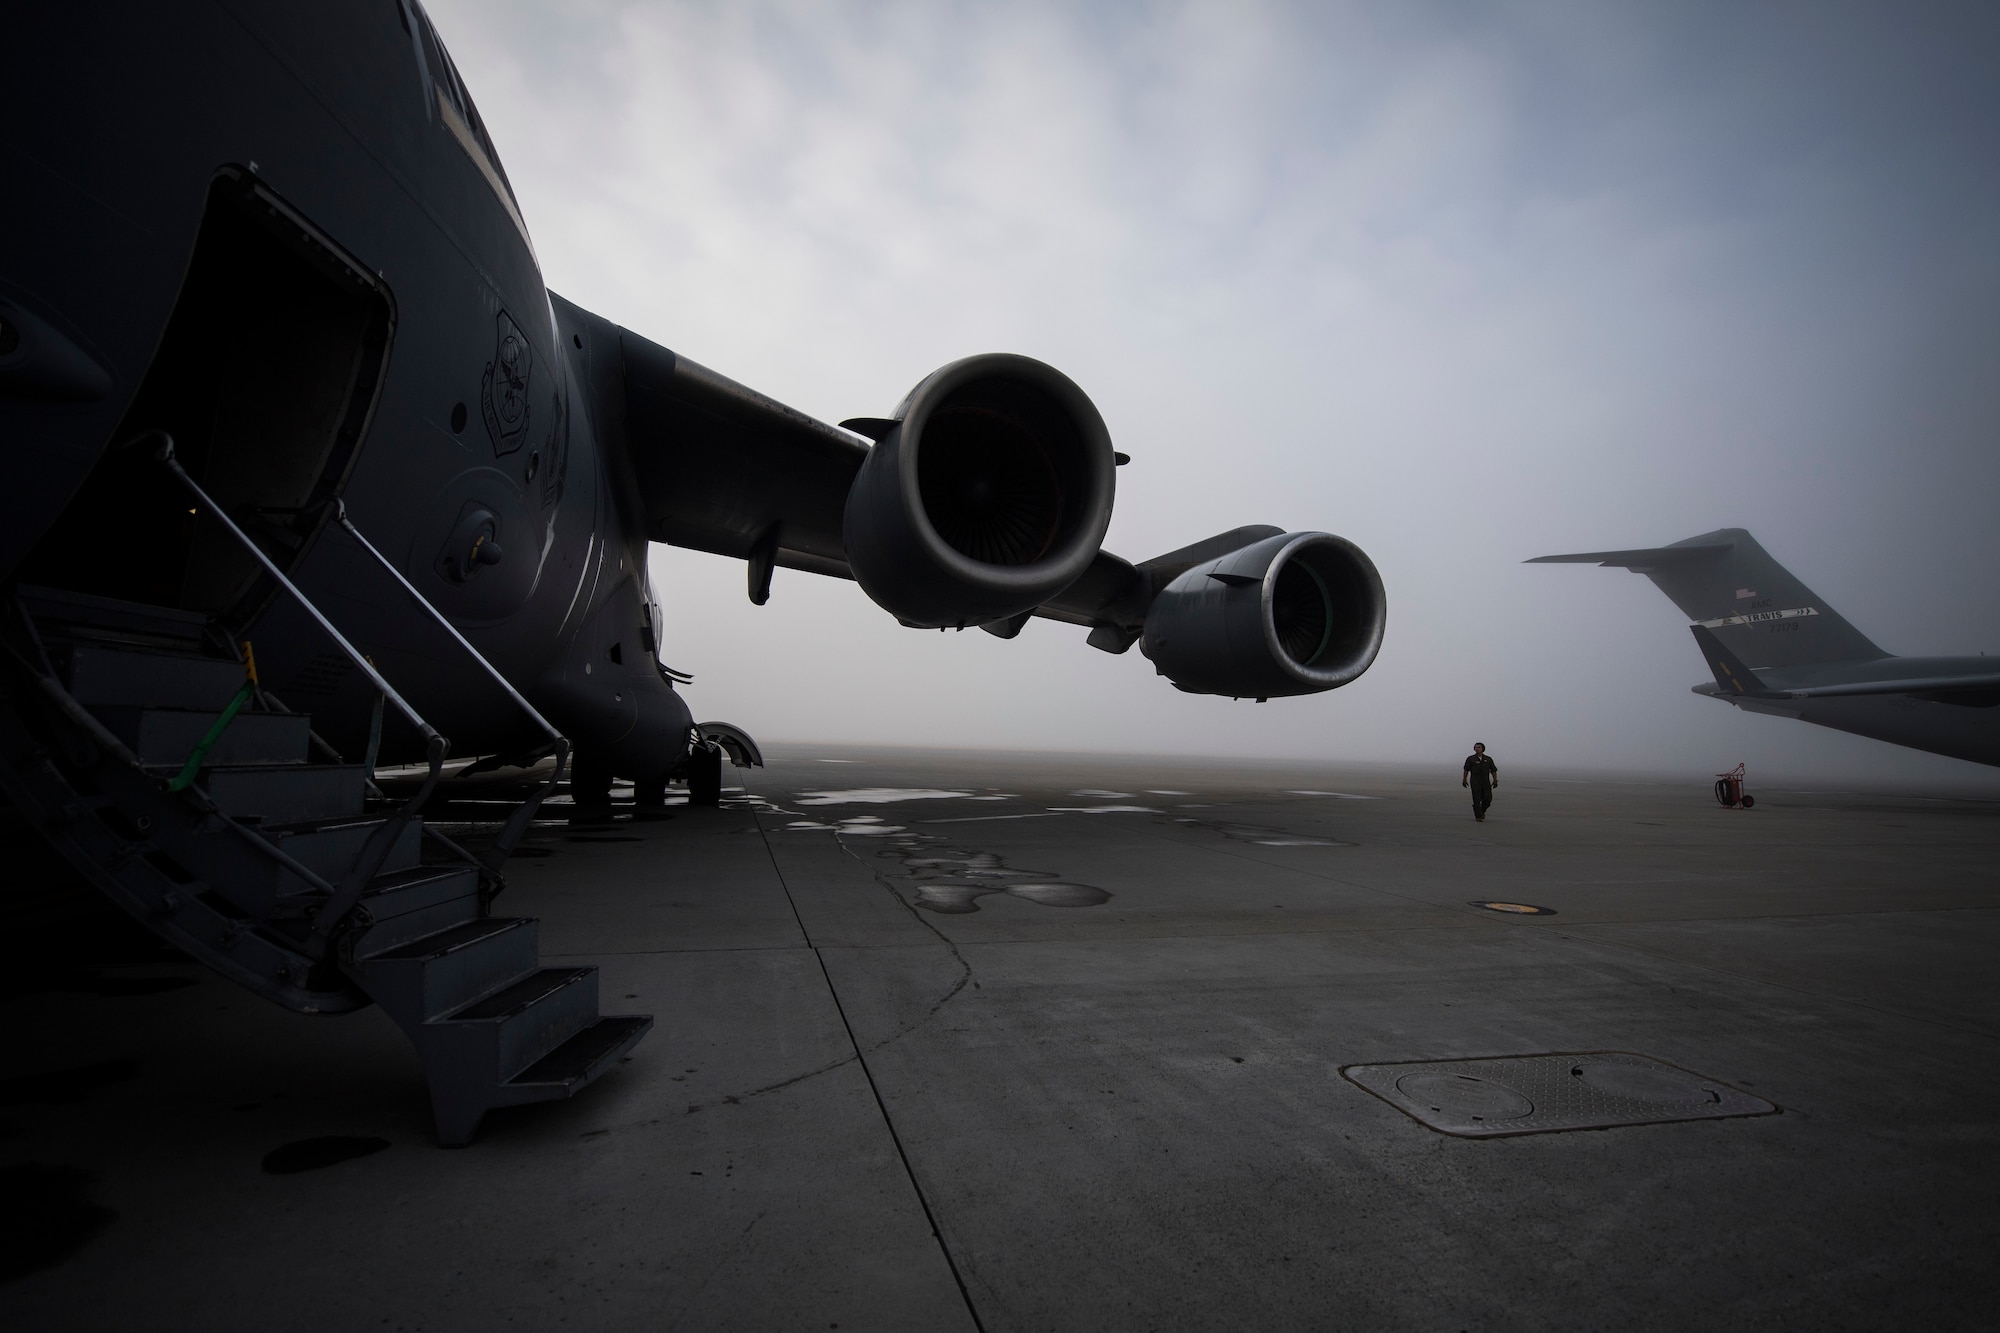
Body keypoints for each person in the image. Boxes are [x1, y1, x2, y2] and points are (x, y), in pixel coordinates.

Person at [1462, 742, 1498, 821]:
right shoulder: (1471, 759)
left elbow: (1493, 770)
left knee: (1488, 799)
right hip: (1475, 782)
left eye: (1479, 747)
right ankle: (1478, 816)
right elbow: (1466, 770)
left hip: (1485, 782)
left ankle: (1482, 810)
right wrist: (1464, 779)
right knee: (1476, 799)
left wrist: (1495, 780)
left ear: (1483, 749)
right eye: (1475, 747)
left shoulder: (1488, 759)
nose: (1477, 749)